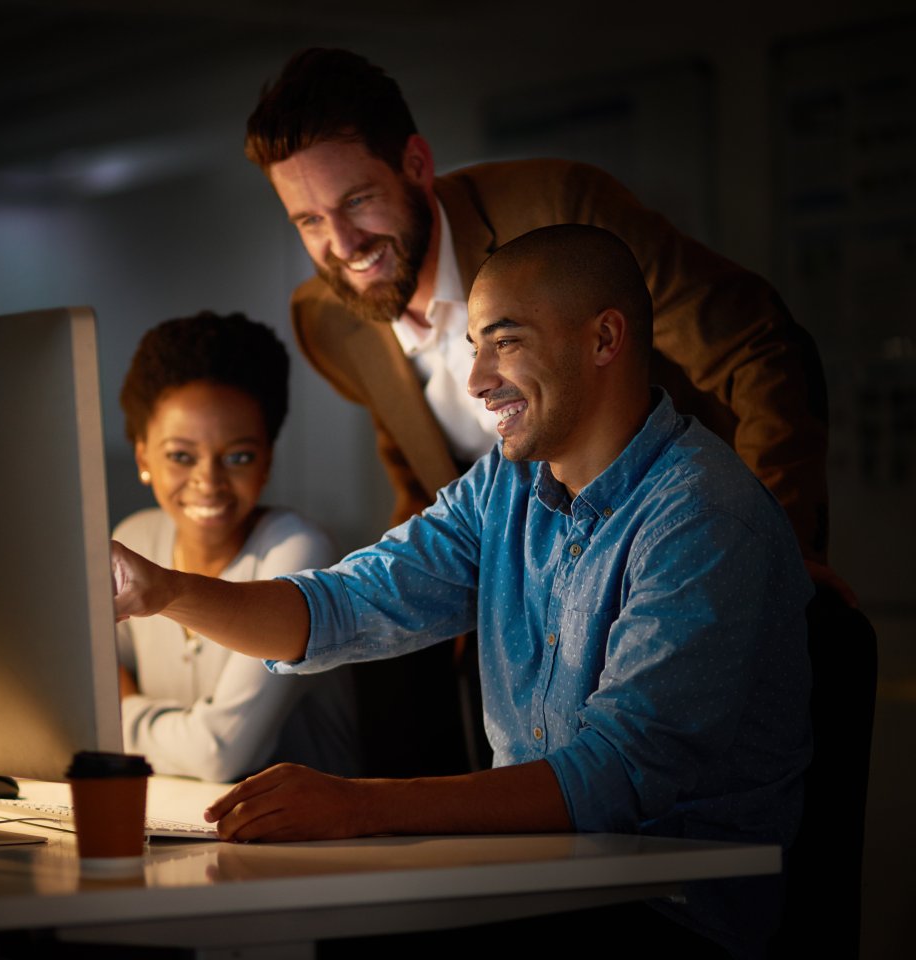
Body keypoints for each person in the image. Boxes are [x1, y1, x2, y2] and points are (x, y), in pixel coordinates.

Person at [111, 227, 813, 956]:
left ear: (604, 338)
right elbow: (345, 605)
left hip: (669, 916)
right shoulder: (502, 487)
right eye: (474, 346)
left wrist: (360, 806)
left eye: (503, 343)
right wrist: (160, 591)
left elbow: (614, 779)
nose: (476, 380)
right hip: (532, 887)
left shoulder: (702, 515)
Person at [244, 47, 840, 592]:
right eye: (309, 221)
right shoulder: (326, 321)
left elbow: (757, 349)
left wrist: (776, 554)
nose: (342, 244)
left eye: (356, 201)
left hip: (682, 550)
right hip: (526, 619)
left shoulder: (561, 210)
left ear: (416, 164)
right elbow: (419, 476)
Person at [113, 310, 359, 783]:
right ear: (143, 456)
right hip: (174, 827)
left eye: (238, 456)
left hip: (315, 847)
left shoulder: (298, 551)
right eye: (181, 456)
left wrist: (115, 717)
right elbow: (77, 697)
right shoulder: (136, 540)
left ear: (267, 459)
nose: (209, 481)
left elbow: (219, 755)